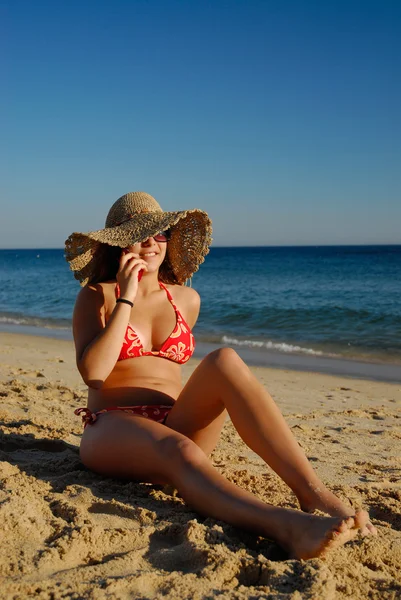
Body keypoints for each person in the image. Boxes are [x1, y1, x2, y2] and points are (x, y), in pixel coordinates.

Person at [65, 191, 375, 560]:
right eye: (138, 234)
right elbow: (94, 374)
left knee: (225, 359)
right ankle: (284, 526)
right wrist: (126, 296)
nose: (150, 243)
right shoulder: (96, 297)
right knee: (179, 450)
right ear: (118, 245)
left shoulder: (186, 299)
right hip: (114, 427)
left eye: (159, 233)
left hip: (174, 422)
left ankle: (312, 491)